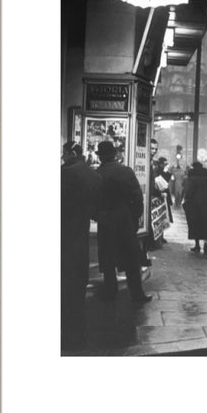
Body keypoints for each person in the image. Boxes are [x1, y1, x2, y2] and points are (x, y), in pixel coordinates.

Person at [96, 140, 152, 303]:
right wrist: (134, 218)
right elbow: (137, 197)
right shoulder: (125, 171)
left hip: (105, 221)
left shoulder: (97, 174)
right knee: (131, 260)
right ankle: (137, 294)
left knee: (108, 259)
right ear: (114, 155)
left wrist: (98, 216)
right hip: (124, 220)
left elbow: (93, 201)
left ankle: (110, 292)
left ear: (100, 158)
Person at [61, 141, 101, 349]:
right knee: (77, 272)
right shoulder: (92, 173)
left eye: (63, 153)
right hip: (81, 229)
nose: (62, 157)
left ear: (70, 153)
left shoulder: (66, 173)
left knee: (65, 272)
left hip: (64, 229)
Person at [183, 161, 207, 254]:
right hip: (206, 203)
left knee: (195, 223)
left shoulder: (192, 178)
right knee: (206, 223)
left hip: (195, 203)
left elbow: (190, 191)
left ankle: (197, 245)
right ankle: (206, 244)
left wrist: (186, 199)